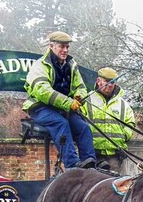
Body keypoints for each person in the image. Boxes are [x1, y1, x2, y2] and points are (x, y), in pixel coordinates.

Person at [22, 32, 97, 170]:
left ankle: (90, 163)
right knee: (61, 123)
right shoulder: (40, 66)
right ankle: (72, 165)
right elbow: (43, 91)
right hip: (40, 108)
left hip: (63, 109)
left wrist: (79, 97)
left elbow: (80, 87)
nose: (65, 50)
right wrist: (69, 103)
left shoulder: (71, 65)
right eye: (62, 47)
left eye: (67, 47)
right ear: (51, 46)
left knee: (84, 127)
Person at [81, 67, 135, 174]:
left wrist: (124, 136)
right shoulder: (87, 100)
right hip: (93, 155)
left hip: (115, 156)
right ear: (98, 81)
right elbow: (80, 122)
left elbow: (130, 124)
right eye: (107, 81)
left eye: (113, 82)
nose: (109, 85)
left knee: (116, 186)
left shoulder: (123, 104)